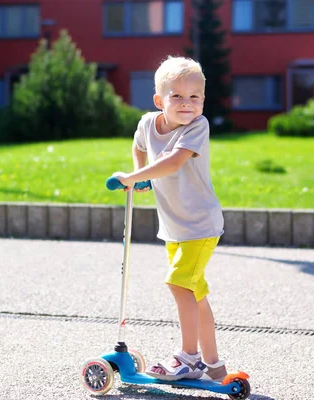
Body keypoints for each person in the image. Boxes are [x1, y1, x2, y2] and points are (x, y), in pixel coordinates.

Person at [111, 56, 226, 382]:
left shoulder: (197, 127)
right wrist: (139, 172)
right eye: (176, 96)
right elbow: (139, 143)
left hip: (201, 225)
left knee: (178, 284)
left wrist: (133, 177)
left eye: (195, 97)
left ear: (203, 101)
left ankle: (189, 358)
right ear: (159, 101)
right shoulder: (149, 123)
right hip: (175, 227)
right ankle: (214, 364)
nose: (187, 104)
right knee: (195, 294)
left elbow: (174, 162)